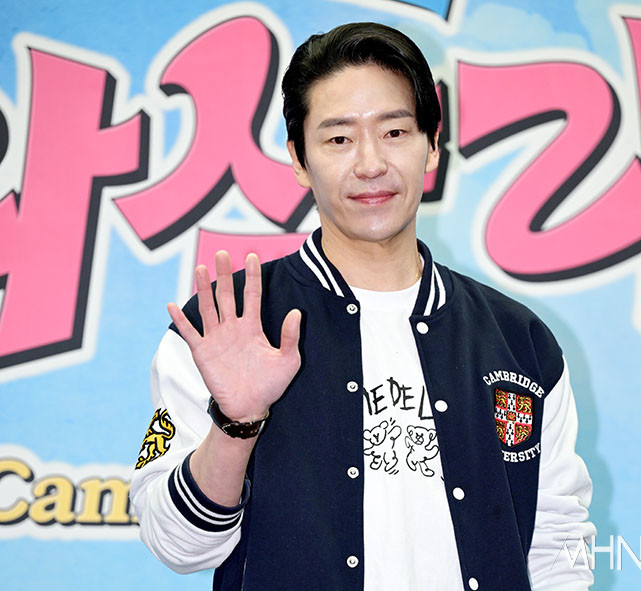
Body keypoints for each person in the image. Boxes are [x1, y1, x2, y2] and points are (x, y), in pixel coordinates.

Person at [130, 22, 595, 591]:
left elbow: (557, 543)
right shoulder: (220, 329)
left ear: (432, 145)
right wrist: (235, 425)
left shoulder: (519, 341)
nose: (371, 164)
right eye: (338, 139)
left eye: (395, 132)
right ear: (299, 159)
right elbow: (174, 544)